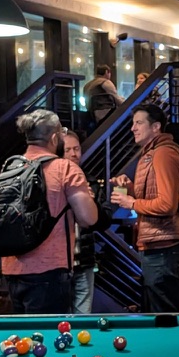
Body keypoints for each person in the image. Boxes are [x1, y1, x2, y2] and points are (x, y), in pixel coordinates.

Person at [1, 111, 99, 314]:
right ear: (54, 138)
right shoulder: (65, 169)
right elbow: (89, 218)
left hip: (11, 269)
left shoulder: (9, 167)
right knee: (46, 338)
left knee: (23, 339)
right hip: (50, 271)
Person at [110, 104, 179, 313]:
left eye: (139, 123)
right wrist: (129, 188)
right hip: (157, 244)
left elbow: (166, 205)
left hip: (164, 246)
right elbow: (157, 198)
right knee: (158, 310)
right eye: (132, 123)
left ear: (156, 127)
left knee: (165, 314)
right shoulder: (152, 153)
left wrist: (132, 203)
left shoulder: (162, 154)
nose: (132, 128)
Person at [62, 129, 112, 314]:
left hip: (84, 261)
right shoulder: (50, 183)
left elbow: (106, 219)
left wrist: (90, 206)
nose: (74, 154)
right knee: (59, 316)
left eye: (77, 149)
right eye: (68, 150)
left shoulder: (90, 181)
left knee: (83, 316)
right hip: (57, 265)